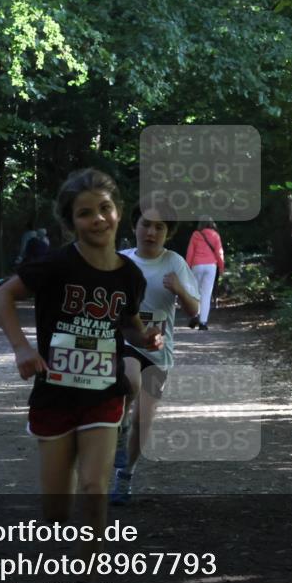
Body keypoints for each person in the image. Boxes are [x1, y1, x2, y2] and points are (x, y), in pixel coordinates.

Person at [0, 168, 162, 583]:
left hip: (103, 393)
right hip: (54, 395)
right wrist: (22, 348)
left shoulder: (129, 275)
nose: (98, 219)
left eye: (104, 209)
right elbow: (3, 296)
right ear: (71, 222)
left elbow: (127, 325)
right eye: (85, 213)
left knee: (93, 487)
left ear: (118, 212)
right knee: (56, 511)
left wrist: (146, 336)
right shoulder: (55, 265)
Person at [111, 198, 200, 505]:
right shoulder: (120, 260)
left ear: (168, 232)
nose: (151, 232)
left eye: (159, 227)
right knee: (130, 380)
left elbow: (194, 312)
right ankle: (120, 427)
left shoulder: (175, 262)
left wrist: (180, 290)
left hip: (159, 349)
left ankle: (126, 476)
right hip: (126, 341)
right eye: (145, 225)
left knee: (144, 421)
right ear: (134, 226)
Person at [185, 216, 224, 330]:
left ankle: (194, 316)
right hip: (211, 266)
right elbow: (219, 253)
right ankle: (203, 323)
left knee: (195, 292)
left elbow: (190, 252)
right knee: (206, 294)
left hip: (197, 265)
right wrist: (221, 267)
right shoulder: (215, 235)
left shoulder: (195, 234)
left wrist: (187, 267)